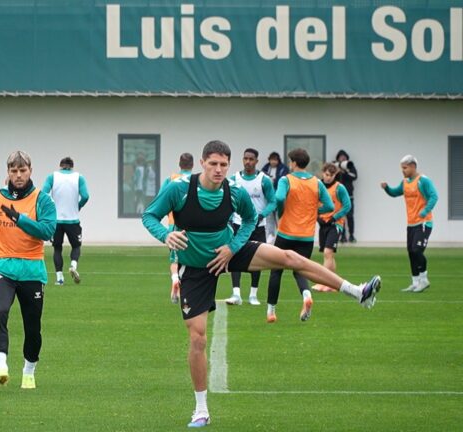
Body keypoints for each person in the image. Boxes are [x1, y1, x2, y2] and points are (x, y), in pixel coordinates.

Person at [142, 140, 380, 428]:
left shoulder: (234, 192)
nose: (218, 169)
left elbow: (250, 219)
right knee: (198, 339)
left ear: (228, 166)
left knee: (290, 257)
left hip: (227, 253)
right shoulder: (179, 189)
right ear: (203, 163)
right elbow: (149, 215)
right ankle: (201, 409)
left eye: (223, 164)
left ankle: (357, 291)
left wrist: (232, 247)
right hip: (195, 267)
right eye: (213, 163)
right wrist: (166, 235)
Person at [0, 150, 56, 389]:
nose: (19, 175)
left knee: (33, 327)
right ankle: (1, 365)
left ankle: (29, 370)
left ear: (30, 171)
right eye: (14, 171)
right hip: (2, 266)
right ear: (8, 173)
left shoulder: (42, 200)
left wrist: (19, 218)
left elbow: (47, 231)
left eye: (23, 170)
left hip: (32, 269)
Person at [267, 148, 338, 323]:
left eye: (290, 161)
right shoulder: (316, 182)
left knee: (276, 271)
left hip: (286, 233)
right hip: (306, 236)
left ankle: (271, 312)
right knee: (300, 270)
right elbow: (329, 206)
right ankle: (306, 295)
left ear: (294, 163)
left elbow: (278, 197)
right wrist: (313, 212)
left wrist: (283, 212)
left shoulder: (286, 179)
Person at [225, 148, 276, 306]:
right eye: (245, 158)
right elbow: (228, 200)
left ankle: (253, 294)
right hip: (238, 224)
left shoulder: (264, 180)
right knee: (234, 256)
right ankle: (236, 294)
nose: (248, 162)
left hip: (258, 226)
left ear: (256, 161)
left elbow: (273, 202)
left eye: (251, 159)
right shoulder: (234, 179)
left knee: (257, 257)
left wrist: (263, 214)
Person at [381, 155, 438, 293]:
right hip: (411, 224)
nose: (403, 170)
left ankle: (424, 280)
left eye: (405, 168)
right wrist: (387, 188)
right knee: (411, 253)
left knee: (417, 250)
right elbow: (395, 193)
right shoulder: (405, 182)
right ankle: (415, 282)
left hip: (424, 222)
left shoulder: (423, 181)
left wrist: (425, 211)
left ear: (413, 166)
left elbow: (434, 196)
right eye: (402, 168)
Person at [42, 157, 89, 285]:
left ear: (60, 166)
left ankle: (59, 278)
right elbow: (85, 196)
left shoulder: (52, 176)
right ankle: (73, 266)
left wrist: (51, 208)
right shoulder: (79, 177)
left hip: (56, 220)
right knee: (76, 246)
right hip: (72, 219)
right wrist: (78, 206)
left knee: (57, 248)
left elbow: (43, 194)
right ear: (72, 166)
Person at [311, 163, 352, 292]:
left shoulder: (340, 188)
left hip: (335, 224)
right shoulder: (318, 186)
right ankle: (333, 285)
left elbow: (347, 205)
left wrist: (334, 218)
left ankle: (322, 282)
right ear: (323, 173)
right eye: (327, 174)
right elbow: (314, 205)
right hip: (323, 224)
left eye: (332, 175)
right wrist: (318, 218)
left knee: (328, 253)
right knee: (328, 255)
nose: (329, 177)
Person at [162, 153, 194, 303]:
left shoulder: (171, 179)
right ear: (193, 165)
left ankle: (175, 279)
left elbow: (162, 198)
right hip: (192, 227)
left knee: (174, 259)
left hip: (173, 225)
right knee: (190, 259)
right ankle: (186, 287)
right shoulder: (196, 180)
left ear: (180, 164)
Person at [260, 151, 289, 243]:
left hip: (278, 196)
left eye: (275, 160)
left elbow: (283, 180)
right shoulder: (265, 168)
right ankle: (270, 237)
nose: (273, 162)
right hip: (268, 197)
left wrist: (275, 180)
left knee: (279, 218)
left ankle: (280, 236)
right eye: (272, 160)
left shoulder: (283, 168)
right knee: (269, 219)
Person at [334, 150, 358, 242]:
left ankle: (351, 235)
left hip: (349, 195)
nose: (342, 158)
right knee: (340, 216)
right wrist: (337, 171)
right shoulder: (335, 166)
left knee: (350, 216)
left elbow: (354, 176)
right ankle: (342, 236)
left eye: (344, 157)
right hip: (338, 197)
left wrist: (345, 172)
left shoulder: (350, 165)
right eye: (341, 157)